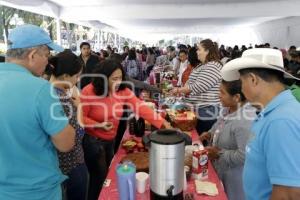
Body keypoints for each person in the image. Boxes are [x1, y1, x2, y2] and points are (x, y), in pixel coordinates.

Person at [0, 24, 75, 200]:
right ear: (33, 55)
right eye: (47, 56)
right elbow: (66, 143)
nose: (48, 62)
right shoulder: (41, 89)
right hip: (38, 191)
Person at [80, 59, 171, 200]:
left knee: (109, 176)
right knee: (99, 178)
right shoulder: (89, 91)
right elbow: (81, 118)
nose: (118, 82)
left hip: (111, 139)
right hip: (93, 142)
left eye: (120, 78)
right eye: (114, 79)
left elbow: (141, 107)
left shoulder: (123, 91)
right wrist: (99, 125)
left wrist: (162, 122)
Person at [221, 48, 300, 200]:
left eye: (242, 82)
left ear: (253, 79)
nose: (242, 89)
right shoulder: (271, 111)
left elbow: (289, 193)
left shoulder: (281, 121)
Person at [200, 80, 256, 200]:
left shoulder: (245, 120)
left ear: (236, 97)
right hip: (221, 169)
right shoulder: (228, 109)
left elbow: (244, 156)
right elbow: (218, 125)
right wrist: (210, 134)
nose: (218, 95)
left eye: (222, 92)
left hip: (235, 178)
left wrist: (219, 153)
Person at [48, 51, 88, 200]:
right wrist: (80, 107)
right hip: (71, 164)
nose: (77, 80)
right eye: (76, 76)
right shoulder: (63, 99)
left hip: (55, 164)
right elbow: (77, 135)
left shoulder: (44, 90)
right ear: (65, 76)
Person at [171, 39, 223, 135]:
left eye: (199, 49)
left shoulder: (213, 66)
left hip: (207, 111)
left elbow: (198, 87)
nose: (196, 52)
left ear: (207, 51)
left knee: (201, 140)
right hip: (199, 110)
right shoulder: (202, 66)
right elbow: (189, 83)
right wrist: (183, 90)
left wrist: (178, 90)